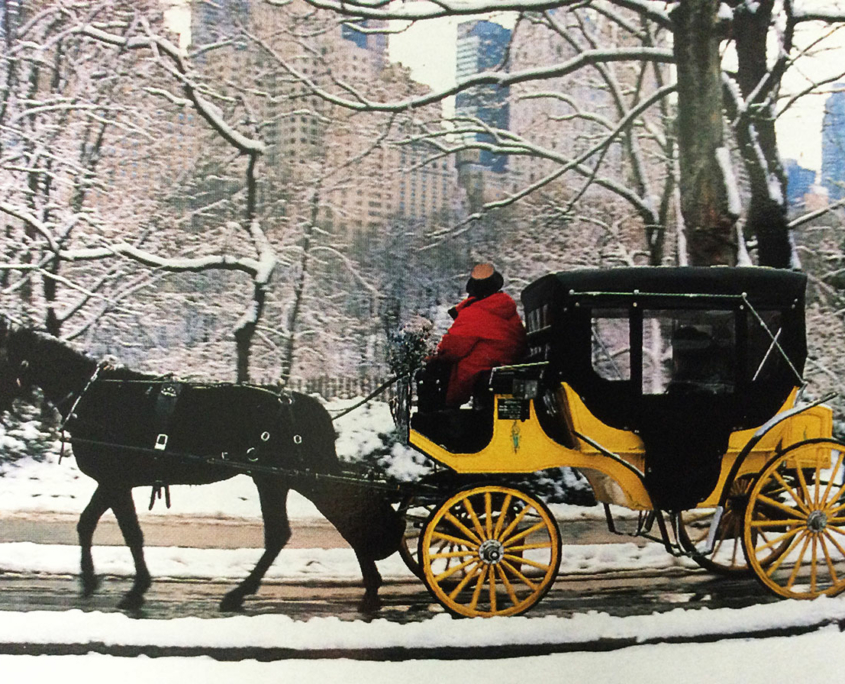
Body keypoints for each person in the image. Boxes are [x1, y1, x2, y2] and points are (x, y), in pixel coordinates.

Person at [427, 263, 527, 408]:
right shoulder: (506, 309)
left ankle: (437, 419)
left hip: (481, 369)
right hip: (506, 363)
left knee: (436, 372)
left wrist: (433, 356)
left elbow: (453, 347)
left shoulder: (475, 312)